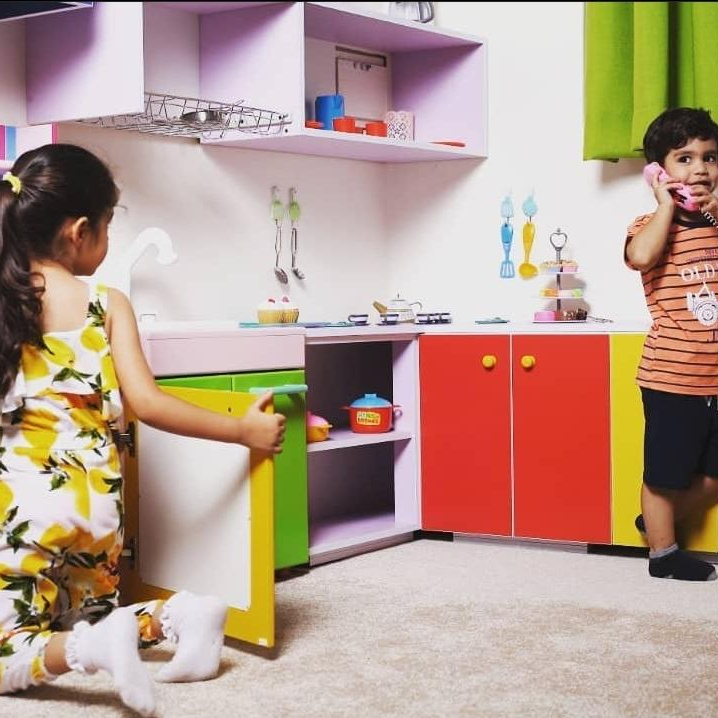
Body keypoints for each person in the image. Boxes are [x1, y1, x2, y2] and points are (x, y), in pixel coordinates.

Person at [0, 144, 286, 714]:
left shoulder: (7, 301)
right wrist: (243, 432)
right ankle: (180, 615)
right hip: (100, 508)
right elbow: (149, 404)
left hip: (26, 508)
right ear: (80, 231)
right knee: (82, 614)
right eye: (109, 226)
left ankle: (90, 651)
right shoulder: (107, 304)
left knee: (15, 642)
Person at [626, 107, 718, 581]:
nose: (699, 169)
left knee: (712, 476)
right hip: (672, 377)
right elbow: (641, 257)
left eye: (709, 157)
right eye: (685, 159)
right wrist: (665, 205)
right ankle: (663, 556)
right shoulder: (649, 225)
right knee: (664, 474)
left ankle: (657, 521)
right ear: (658, 171)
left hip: (715, 380)